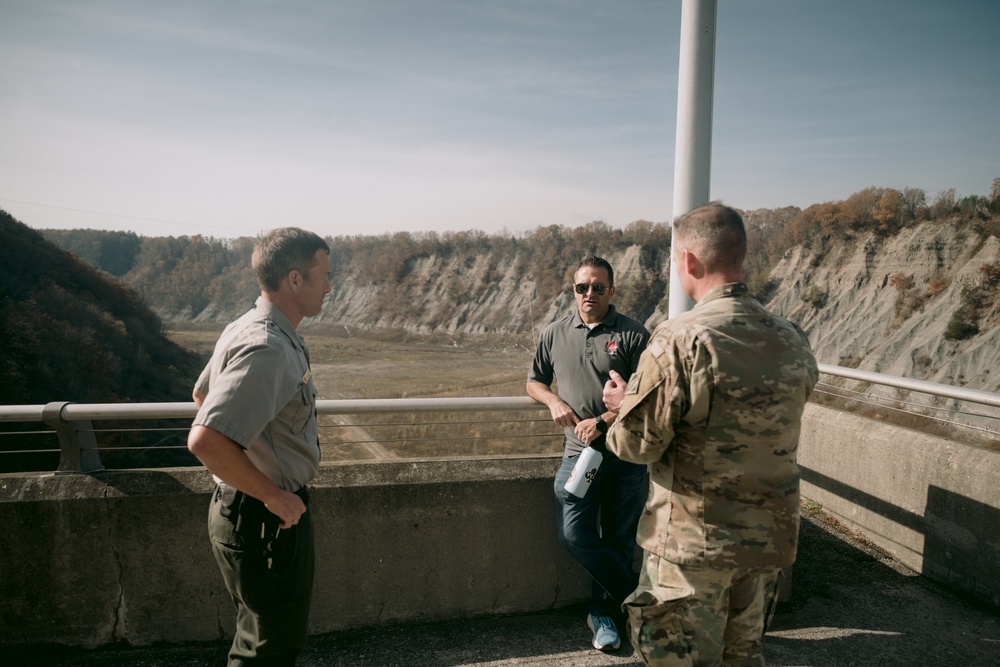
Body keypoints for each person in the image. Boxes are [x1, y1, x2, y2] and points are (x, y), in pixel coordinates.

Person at [601, 203, 818, 666]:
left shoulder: (681, 339)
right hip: (766, 543)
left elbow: (637, 445)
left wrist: (624, 408)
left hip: (693, 549)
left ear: (689, 262)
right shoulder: (791, 337)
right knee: (743, 657)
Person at [188, 227, 331, 666]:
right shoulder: (268, 345)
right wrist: (273, 494)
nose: (328, 286)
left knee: (260, 639)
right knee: (267, 651)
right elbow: (206, 438)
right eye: (323, 275)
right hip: (264, 518)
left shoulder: (248, 327)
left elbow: (201, 396)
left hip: (252, 513)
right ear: (294, 280)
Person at [527, 256, 650, 651]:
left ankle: (604, 616)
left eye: (599, 287)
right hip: (579, 455)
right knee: (574, 533)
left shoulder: (633, 334)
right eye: (582, 287)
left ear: (611, 292)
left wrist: (605, 418)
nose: (590, 294)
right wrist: (552, 401)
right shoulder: (555, 333)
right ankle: (638, 601)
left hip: (627, 456)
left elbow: (648, 397)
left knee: (619, 541)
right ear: (574, 290)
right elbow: (534, 381)